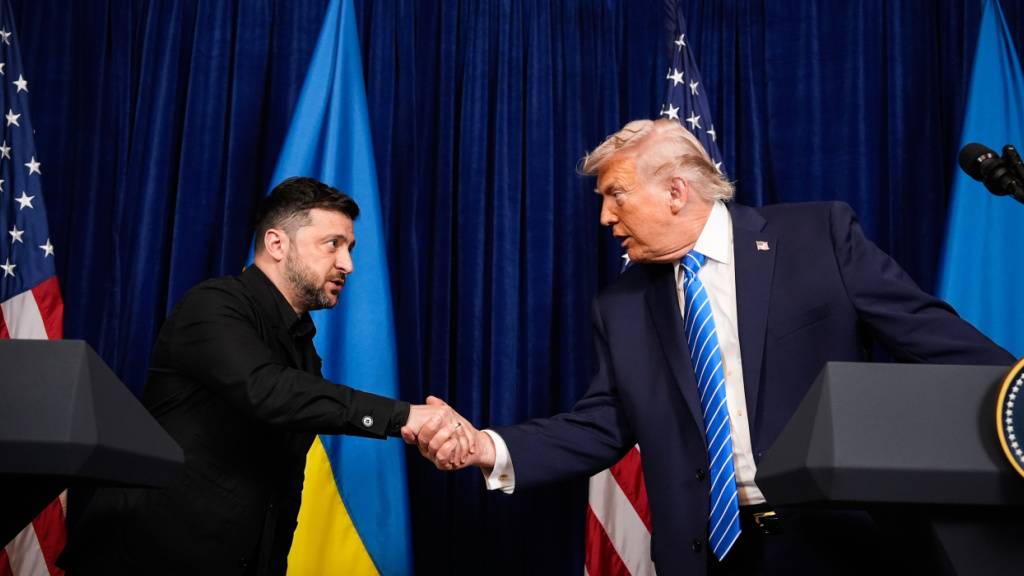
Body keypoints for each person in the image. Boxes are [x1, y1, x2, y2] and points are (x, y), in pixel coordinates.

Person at [414, 119, 1016, 575]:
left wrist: (1016, 404)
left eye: (616, 194)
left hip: (838, 545)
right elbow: (602, 426)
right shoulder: (620, 305)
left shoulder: (818, 237)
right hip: (703, 558)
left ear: (676, 190)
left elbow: (936, 341)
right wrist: (485, 447)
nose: (605, 217)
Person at [62, 177, 468, 575]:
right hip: (143, 559)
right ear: (277, 243)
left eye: (350, 248)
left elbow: (280, 486)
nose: (348, 264)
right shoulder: (213, 305)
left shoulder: (303, 348)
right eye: (333, 244)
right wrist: (403, 416)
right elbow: (267, 391)